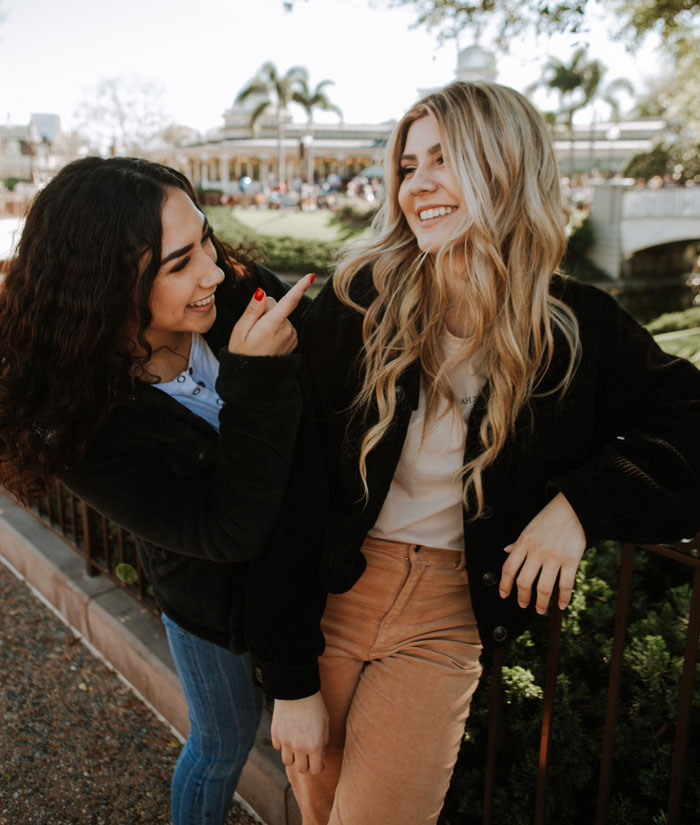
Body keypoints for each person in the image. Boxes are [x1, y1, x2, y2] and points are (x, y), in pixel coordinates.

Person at [246, 81, 700, 825]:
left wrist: (582, 505)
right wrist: (289, 679)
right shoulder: (359, 304)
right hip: (329, 598)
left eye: (444, 159)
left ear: (506, 168)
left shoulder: (576, 329)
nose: (416, 182)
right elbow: (289, 491)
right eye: (407, 165)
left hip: (445, 616)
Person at [0, 156, 314, 825]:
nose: (211, 269)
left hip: (306, 575)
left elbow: (334, 363)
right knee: (223, 741)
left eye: (205, 237)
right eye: (179, 263)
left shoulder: (229, 292)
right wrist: (257, 378)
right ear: (108, 285)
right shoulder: (79, 422)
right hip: (207, 602)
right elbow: (224, 529)